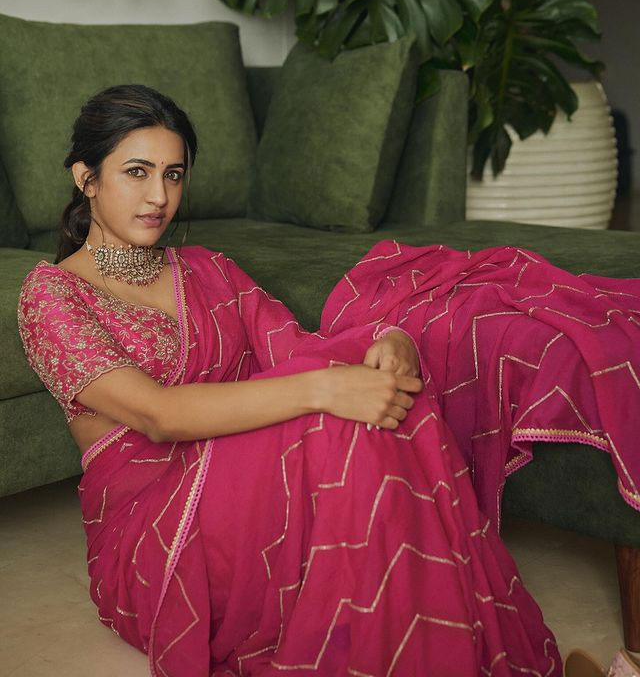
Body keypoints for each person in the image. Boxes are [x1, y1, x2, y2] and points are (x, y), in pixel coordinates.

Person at [16, 85, 640, 676]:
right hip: (155, 532)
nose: (159, 196)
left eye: (173, 174)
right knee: (338, 414)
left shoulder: (208, 269)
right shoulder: (53, 296)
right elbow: (158, 415)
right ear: (86, 177)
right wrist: (327, 389)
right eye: (137, 172)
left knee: (378, 395)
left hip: (243, 482)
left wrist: (390, 341)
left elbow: (300, 349)